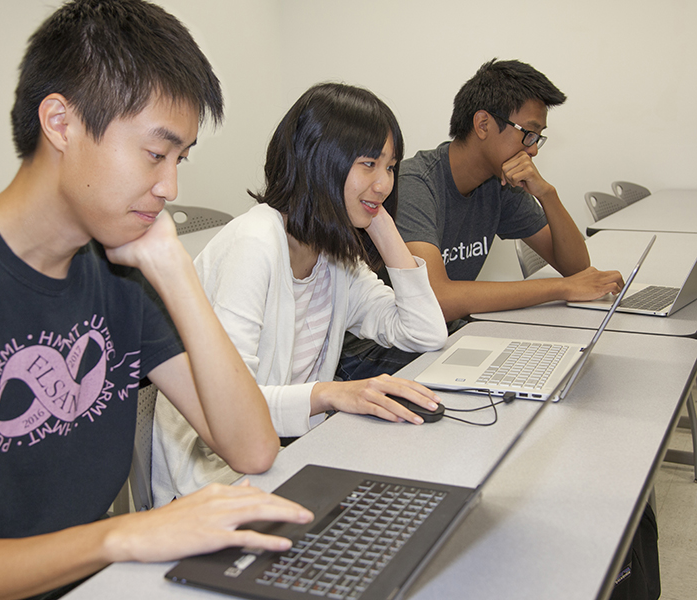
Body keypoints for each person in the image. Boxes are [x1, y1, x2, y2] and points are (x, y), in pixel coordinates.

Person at [0, 2, 315, 599]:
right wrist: (124, 535)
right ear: (61, 123)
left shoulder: (119, 271)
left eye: (180, 160)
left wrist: (175, 273)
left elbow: (251, 447)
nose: (170, 186)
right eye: (155, 153)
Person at [152, 82, 449, 506]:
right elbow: (230, 409)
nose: (383, 183)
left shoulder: (334, 253)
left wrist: (380, 222)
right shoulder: (254, 243)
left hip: (288, 456)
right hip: (212, 481)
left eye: (391, 168)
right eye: (369, 165)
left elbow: (424, 333)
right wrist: (330, 393)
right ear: (320, 162)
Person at [395, 59, 624, 324]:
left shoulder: (501, 184)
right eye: (529, 133)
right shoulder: (414, 185)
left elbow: (577, 270)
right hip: (386, 351)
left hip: (443, 334)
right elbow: (435, 299)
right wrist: (560, 288)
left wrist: (547, 194)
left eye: (538, 137)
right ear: (482, 124)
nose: (533, 150)